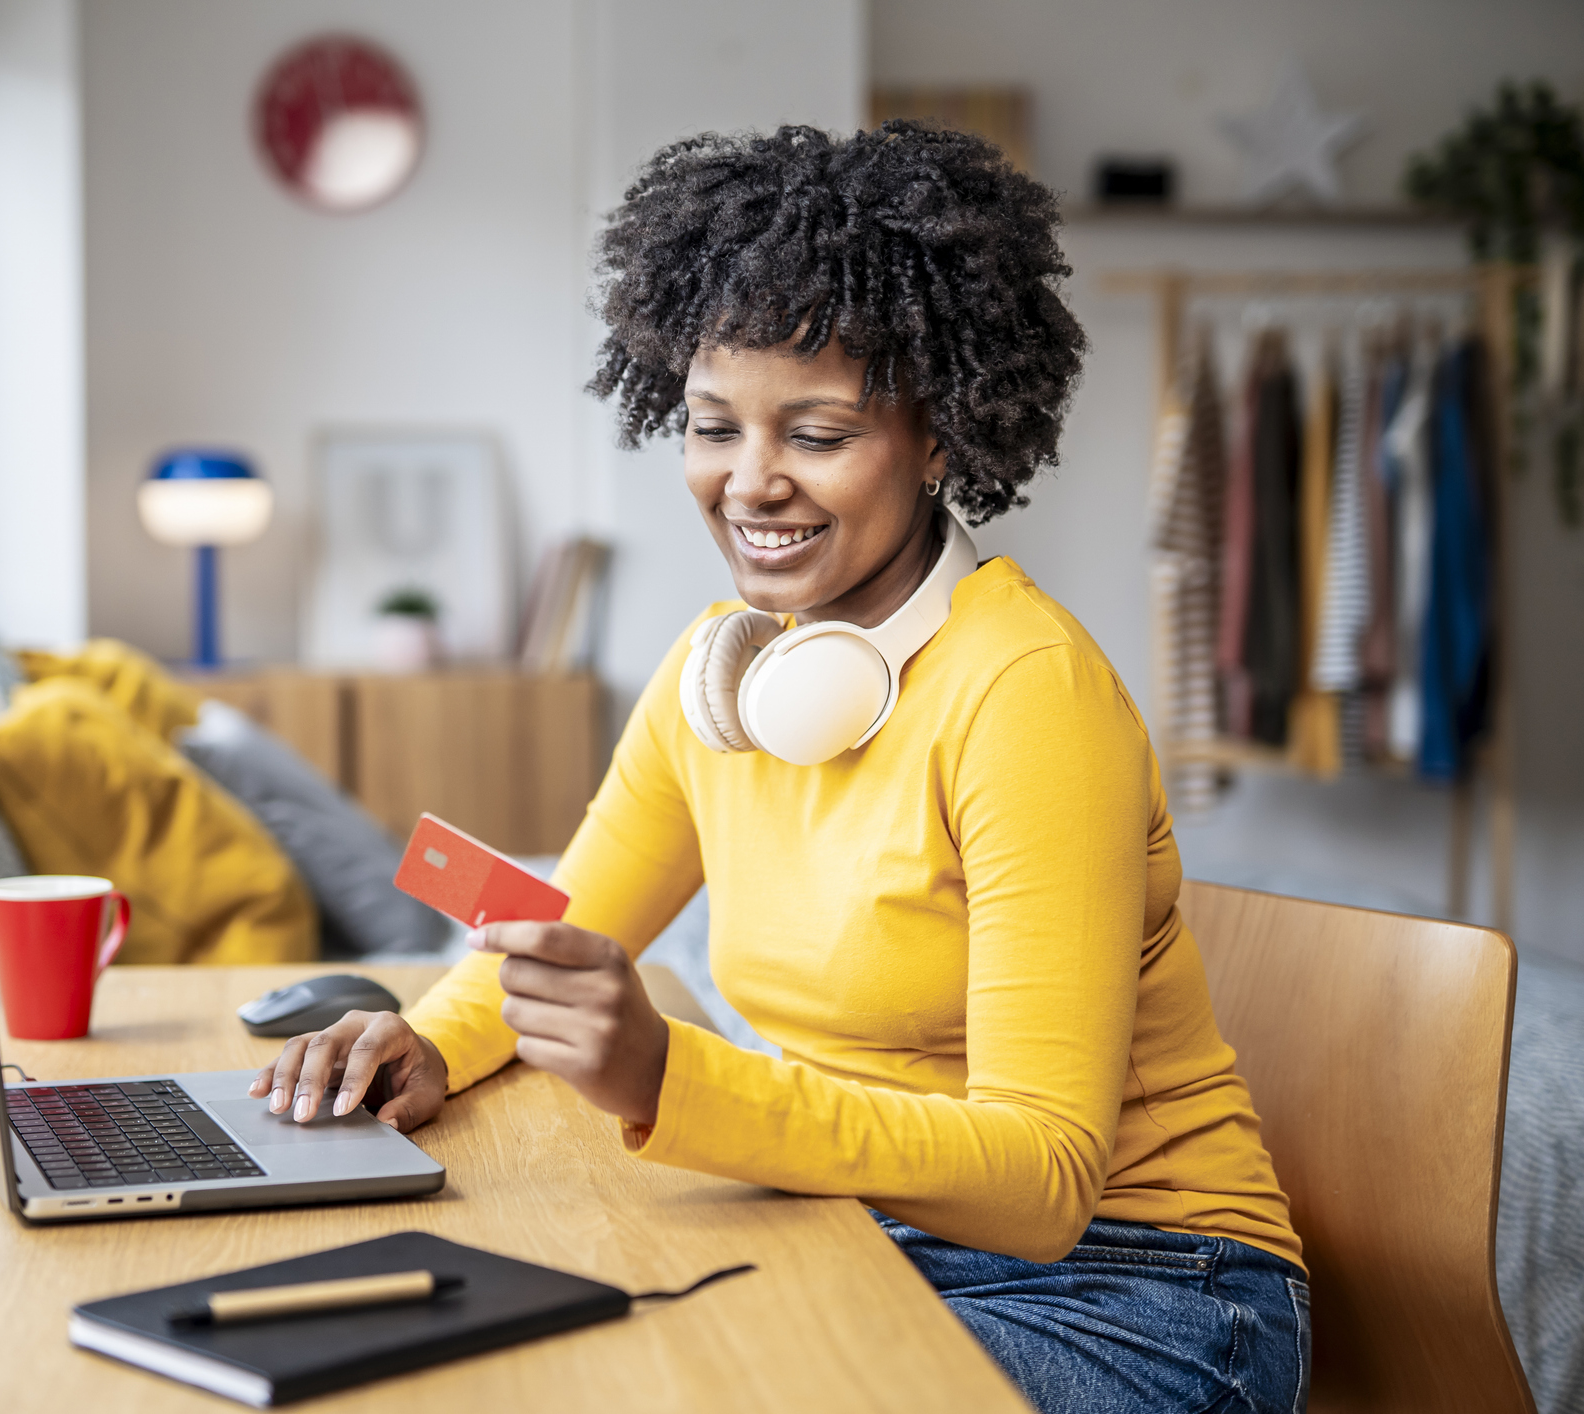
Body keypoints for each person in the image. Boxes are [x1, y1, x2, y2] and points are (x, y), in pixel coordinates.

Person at [250, 121, 1309, 1414]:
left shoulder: (1026, 694)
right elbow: (554, 931)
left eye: (814, 432)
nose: (749, 483)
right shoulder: (721, 672)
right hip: (865, 1231)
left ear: (937, 434)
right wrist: (422, 1042)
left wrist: (664, 1075)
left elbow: (1043, 1180)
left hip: (1137, 1288)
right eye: (711, 427)